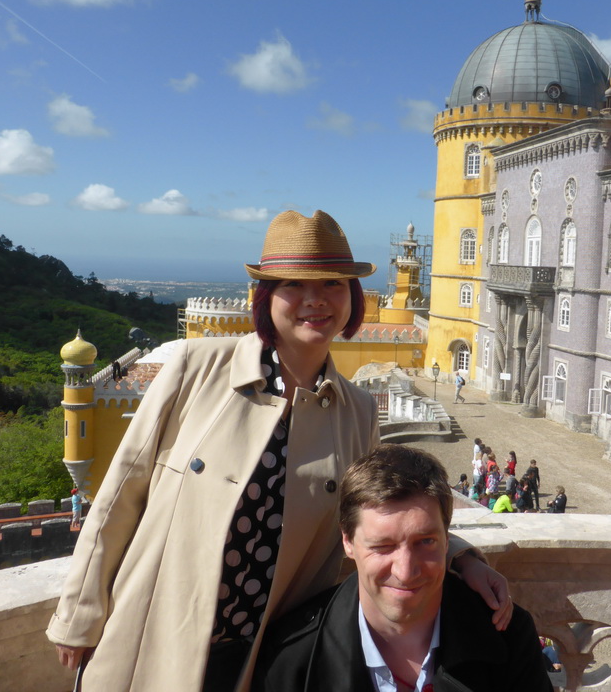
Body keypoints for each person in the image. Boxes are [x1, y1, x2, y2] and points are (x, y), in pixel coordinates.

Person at [46, 210, 511, 692]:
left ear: (353, 298)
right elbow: (120, 496)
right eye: (293, 284)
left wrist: (463, 559)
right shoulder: (195, 369)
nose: (316, 300)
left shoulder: (356, 410)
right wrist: (78, 615)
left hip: (267, 656)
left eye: (334, 284)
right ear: (265, 297)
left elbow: (380, 515)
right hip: (154, 633)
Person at [251, 444, 551, 692]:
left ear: (448, 541)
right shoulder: (289, 658)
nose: (406, 572)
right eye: (382, 546)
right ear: (348, 542)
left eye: (425, 542)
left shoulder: (509, 637)